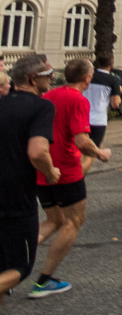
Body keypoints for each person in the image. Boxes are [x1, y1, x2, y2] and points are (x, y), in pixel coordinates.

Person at [34, 57, 111, 298]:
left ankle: (12, 267)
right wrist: (99, 153)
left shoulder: (49, 96)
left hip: (42, 170)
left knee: (53, 220)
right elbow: (81, 141)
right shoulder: (78, 100)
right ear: (87, 78)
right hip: (66, 171)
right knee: (73, 222)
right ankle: (43, 281)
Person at [0, 55, 60, 305]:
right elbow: (37, 152)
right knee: (20, 267)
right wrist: (50, 173)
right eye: (48, 75)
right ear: (33, 79)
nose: (52, 79)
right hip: (14, 198)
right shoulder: (42, 107)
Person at [79, 54, 122, 175]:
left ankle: (74, 176)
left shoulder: (89, 76)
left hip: (82, 117)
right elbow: (115, 104)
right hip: (98, 120)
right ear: (111, 64)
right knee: (92, 153)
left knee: (80, 151)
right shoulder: (113, 80)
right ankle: (76, 179)